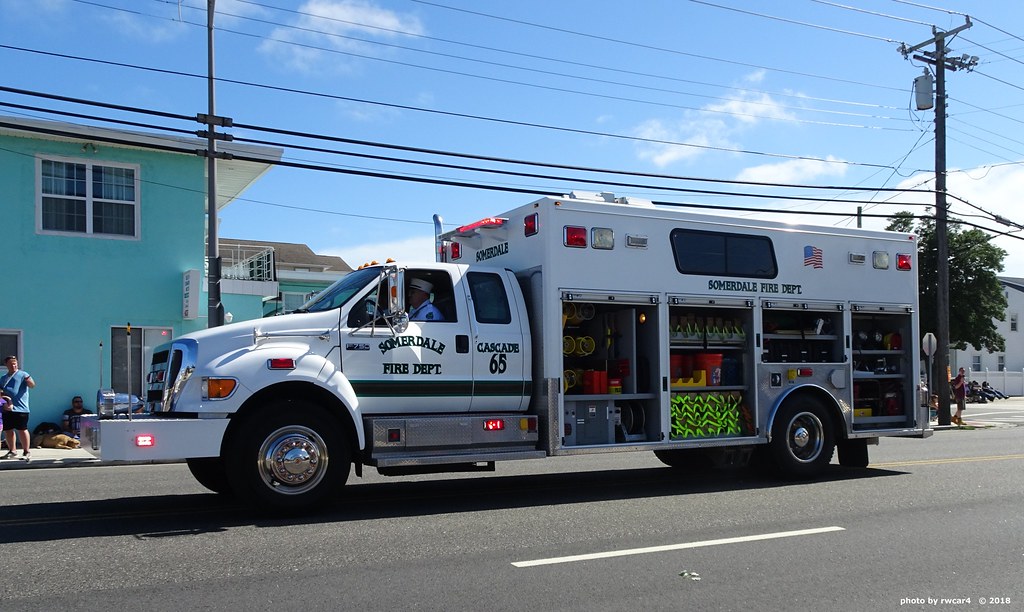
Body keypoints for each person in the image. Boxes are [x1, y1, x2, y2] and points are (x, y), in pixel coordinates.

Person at [1, 355, 36, 460]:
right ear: (6, 365)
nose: (13, 365)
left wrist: (28, 381)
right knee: (8, 430)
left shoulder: (23, 374)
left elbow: (32, 385)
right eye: (11, 363)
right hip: (7, 408)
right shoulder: (3, 378)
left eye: (15, 363)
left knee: (22, 429)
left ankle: (26, 451)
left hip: (21, 408)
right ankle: (12, 451)